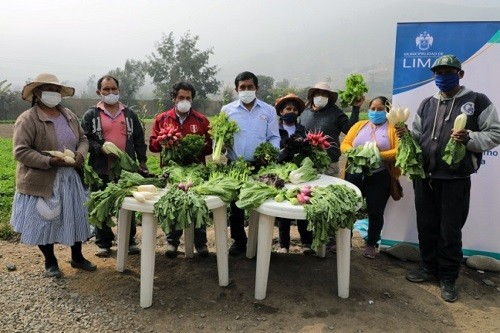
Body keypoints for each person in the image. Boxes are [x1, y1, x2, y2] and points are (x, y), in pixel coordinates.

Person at [400, 55, 500, 302]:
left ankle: (448, 277)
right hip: (425, 176)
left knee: (450, 230)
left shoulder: (477, 101)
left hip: (455, 179)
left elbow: (495, 134)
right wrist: (405, 137)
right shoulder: (426, 103)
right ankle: (428, 267)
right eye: (438, 73)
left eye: (448, 72)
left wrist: (469, 139)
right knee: (427, 226)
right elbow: (417, 136)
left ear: (460, 74)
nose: (442, 77)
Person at [11, 73, 96, 277]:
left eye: (57, 90)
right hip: (44, 179)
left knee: (76, 217)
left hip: (70, 177)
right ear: (38, 93)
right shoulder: (28, 118)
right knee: (44, 221)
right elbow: (20, 151)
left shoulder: (68, 115)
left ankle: (77, 257)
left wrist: (80, 155)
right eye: (49, 90)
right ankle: (50, 261)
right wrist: (49, 160)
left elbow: (83, 139)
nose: (54, 94)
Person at [81, 75, 148, 258]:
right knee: (101, 204)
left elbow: (139, 140)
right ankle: (103, 242)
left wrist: (142, 162)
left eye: (113, 89)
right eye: (106, 90)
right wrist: (100, 149)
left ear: (119, 90)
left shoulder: (129, 114)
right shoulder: (91, 115)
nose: (111, 93)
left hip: (125, 170)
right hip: (100, 168)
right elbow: (86, 138)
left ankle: (128, 240)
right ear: (99, 92)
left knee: (128, 204)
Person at [149, 82, 212, 257]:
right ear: (174, 99)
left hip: (195, 170)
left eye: (188, 98)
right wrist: (163, 142)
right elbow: (153, 147)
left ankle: (200, 243)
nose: (185, 101)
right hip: (172, 169)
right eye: (181, 98)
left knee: (198, 202)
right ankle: (172, 242)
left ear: (192, 100)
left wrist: (198, 147)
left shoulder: (201, 120)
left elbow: (210, 146)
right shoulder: (162, 119)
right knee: (174, 201)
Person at [300, 82, 364, 252]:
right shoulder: (305, 113)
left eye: (325, 94)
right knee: (308, 201)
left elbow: (351, 130)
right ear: (312, 95)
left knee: (328, 202)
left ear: (330, 97)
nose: (321, 96)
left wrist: (356, 109)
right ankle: (311, 239)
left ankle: (329, 239)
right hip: (307, 166)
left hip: (329, 164)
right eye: (318, 93)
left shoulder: (336, 113)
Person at [222, 71, 281, 256]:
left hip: (260, 165)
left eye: (250, 87)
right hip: (235, 165)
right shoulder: (227, 110)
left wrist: (269, 153)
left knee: (261, 204)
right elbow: (220, 137)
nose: (246, 90)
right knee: (236, 206)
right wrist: (221, 146)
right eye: (242, 87)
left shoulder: (268, 110)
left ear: (257, 88)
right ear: (236, 89)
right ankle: (239, 241)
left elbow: (273, 137)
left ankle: (259, 241)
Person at [340, 96, 399, 259]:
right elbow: (345, 143)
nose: (375, 112)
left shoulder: (393, 129)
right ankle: (345, 241)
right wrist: (355, 153)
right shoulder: (360, 125)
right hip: (355, 173)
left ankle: (371, 244)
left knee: (375, 211)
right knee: (348, 209)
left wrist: (376, 154)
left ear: (387, 110)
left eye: (380, 109)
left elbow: (398, 151)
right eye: (372, 109)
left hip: (379, 176)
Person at [274, 93, 314, 255]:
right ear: (281, 112)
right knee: (284, 209)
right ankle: (284, 245)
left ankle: (306, 243)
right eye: (287, 109)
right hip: (281, 172)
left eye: (294, 109)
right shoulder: (275, 130)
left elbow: (307, 150)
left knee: (302, 204)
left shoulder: (302, 129)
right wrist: (285, 151)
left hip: (299, 173)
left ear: (298, 113)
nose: (291, 111)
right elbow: (273, 152)